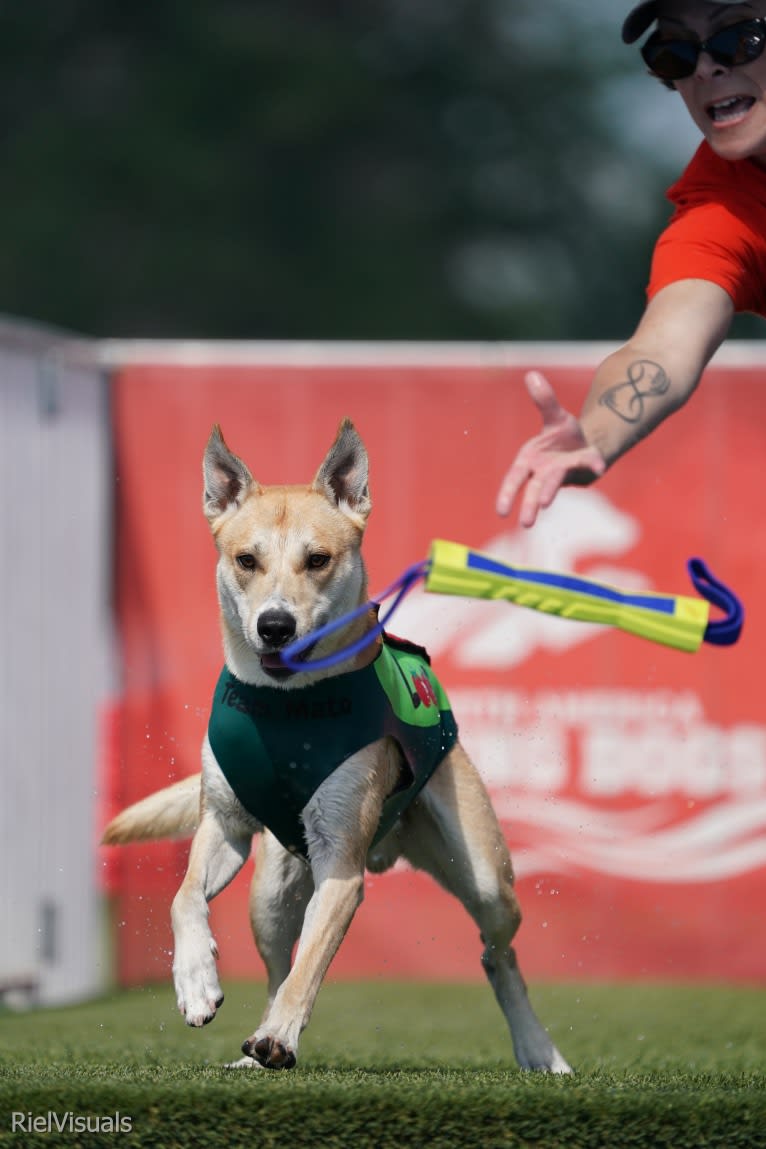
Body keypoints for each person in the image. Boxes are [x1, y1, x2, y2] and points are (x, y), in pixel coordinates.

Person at [496, 0, 766, 527]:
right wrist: (595, 436)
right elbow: (662, 350)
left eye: (738, 37)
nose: (707, 67)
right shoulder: (719, 214)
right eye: (675, 52)